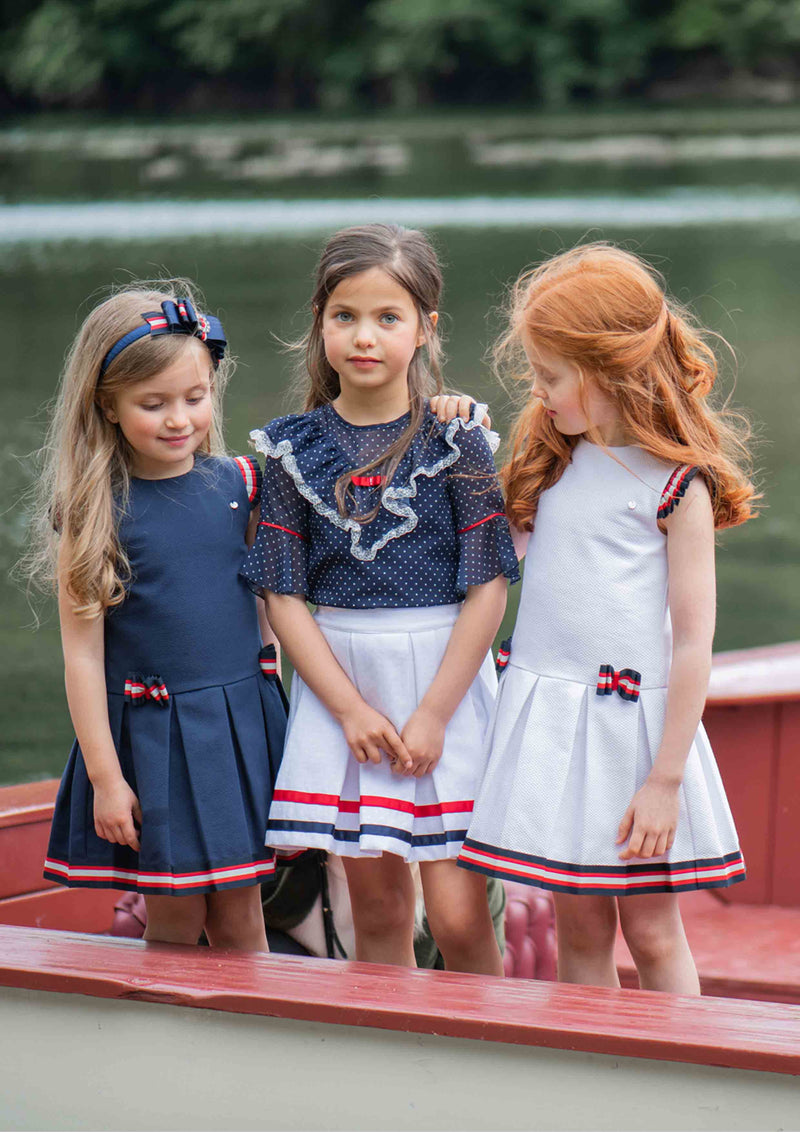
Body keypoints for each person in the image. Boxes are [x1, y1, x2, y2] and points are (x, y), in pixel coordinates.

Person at [458, 243, 757, 994]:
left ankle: (682, 1079)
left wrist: (665, 780)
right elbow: (489, 558)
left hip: (635, 740)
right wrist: (455, 429)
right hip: (553, 730)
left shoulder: (676, 488)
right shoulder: (549, 465)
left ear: (608, 370)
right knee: (579, 927)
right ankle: (595, 1074)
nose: (540, 391)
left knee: (652, 930)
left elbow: (692, 643)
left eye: (552, 377)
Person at [240, 223, 520, 974]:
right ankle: (388, 1070)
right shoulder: (292, 449)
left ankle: (488, 1056)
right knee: (378, 913)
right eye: (345, 316)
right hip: (344, 687)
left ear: (426, 329)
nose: (364, 336)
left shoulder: (457, 443)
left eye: (387, 317)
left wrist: (433, 714)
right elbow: (282, 594)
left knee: (461, 918)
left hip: (446, 683)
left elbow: (488, 584)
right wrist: (350, 711)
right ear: (321, 324)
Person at [30, 283, 287, 950]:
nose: (180, 419)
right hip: (157, 738)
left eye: (195, 398)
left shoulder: (243, 486)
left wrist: (277, 717)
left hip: (240, 730)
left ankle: (256, 1043)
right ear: (107, 405)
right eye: (154, 404)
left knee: (243, 912)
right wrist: (108, 779)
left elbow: (269, 617)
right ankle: (172, 1047)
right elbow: (83, 656)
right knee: (173, 913)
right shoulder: (96, 514)